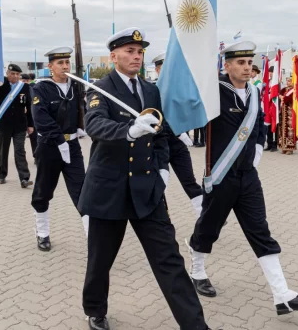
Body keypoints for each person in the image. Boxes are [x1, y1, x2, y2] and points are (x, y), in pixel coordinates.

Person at [79, 28, 218, 330]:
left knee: (169, 260)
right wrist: (129, 130)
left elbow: (162, 135)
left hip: (147, 190)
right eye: (129, 51)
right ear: (113, 56)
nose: (136, 56)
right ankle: (95, 309)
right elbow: (95, 124)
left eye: (139, 51)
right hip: (109, 191)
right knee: (100, 260)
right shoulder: (99, 88)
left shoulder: (151, 90)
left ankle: (195, 325)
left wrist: (163, 168)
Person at [187, 41, 298, 318]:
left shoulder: (254, 91)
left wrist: (259, 146)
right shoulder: (213, 92)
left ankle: (282, 295)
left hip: (248, 177)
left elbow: (259, 123)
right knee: (209, 228)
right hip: (221, 176)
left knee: (260, 231)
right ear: (227, 66)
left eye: (249, 63)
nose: (247, 68)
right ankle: (197, 270)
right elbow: (190, 113)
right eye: (241, 63)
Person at [31, 47, 88, 252]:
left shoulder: (76, 86)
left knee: (83, 190)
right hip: (49, 146)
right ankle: (42, 232)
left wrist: (83, 127)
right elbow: (41, 118)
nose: (65, 66)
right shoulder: (41, 88)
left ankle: (92, 235)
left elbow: (84, 109)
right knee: (44, 190)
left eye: (67, 62)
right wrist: (58, 139)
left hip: (72, 146)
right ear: (50, 67)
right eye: (60, 63)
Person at [152, 51, 205, 218]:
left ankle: (203, 212)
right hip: (158, 145)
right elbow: (155, 118)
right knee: (160, 182)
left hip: (177, 144)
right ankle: (161, 215)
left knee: (188, 179)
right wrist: (178, 130)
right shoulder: (151, 91)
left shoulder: (179, 90)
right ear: (158, 70)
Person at [0, 64, 34, 187]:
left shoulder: (25, 88)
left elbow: (29, 107)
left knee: (20, 151)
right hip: (3, 125)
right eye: (12, 74)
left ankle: (24, 178)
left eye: (17, 74)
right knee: (2, 151)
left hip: (20, 125)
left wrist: (30, 125)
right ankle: (1, 175)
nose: (15, 76)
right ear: (7, 74)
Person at [278, 84, 296, 154]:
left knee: (290, 130)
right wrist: (280, 96)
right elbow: (279, 94)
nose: (288, 82)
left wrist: (282, 97)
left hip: (290, 112)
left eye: (290, 80)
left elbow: (287, 98)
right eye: (287, 80)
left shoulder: (294, 90)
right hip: (283, 112)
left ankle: (290, 148)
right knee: (282, 129)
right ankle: (283, 147)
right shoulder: (283, 89)